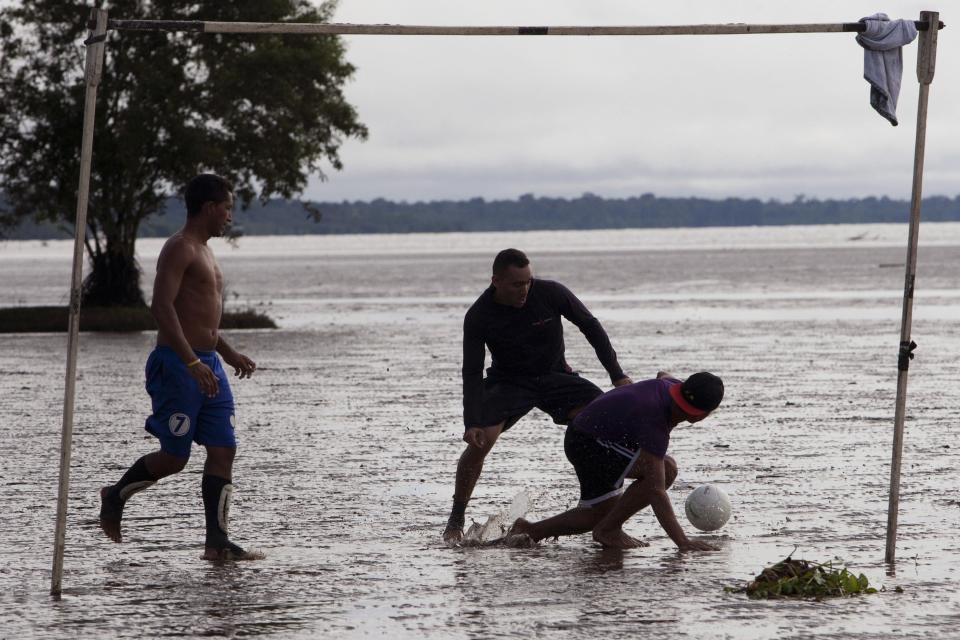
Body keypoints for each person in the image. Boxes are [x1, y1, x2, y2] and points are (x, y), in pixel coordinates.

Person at [98, 173, 257, 560]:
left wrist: (228, 354)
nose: (229, 218)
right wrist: (189, 361)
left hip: (208, 365)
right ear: (209, 207)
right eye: (227, 209)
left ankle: (216, 543)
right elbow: (162, 308)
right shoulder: (180, 248)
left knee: (224, 449)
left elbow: (200, 319)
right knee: (175, 457)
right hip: (177, 364)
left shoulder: (206, 251)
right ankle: (115, 496)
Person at [444, 248, 633, 543]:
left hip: (556, 376)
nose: (524, 290)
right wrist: (471, 422)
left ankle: (603, 509)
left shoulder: (551, 293)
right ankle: (455, 517)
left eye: (528, 282)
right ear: (496, 281)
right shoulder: (479, 315)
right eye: (517, 285)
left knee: (605, 423)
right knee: (482, 441)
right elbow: (471, 371)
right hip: (508, 382)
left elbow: (591, 327)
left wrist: (617, 374)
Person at [508, 371, 724, 551]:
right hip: (590, 443)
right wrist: (683, 542)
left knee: (597, 514)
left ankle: (529, 531)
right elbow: (656, 490)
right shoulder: (655, 421)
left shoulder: (670, 385)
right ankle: (609, 530)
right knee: (665, 470)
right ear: (699, 416)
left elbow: (663, 375)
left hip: (586, 435)